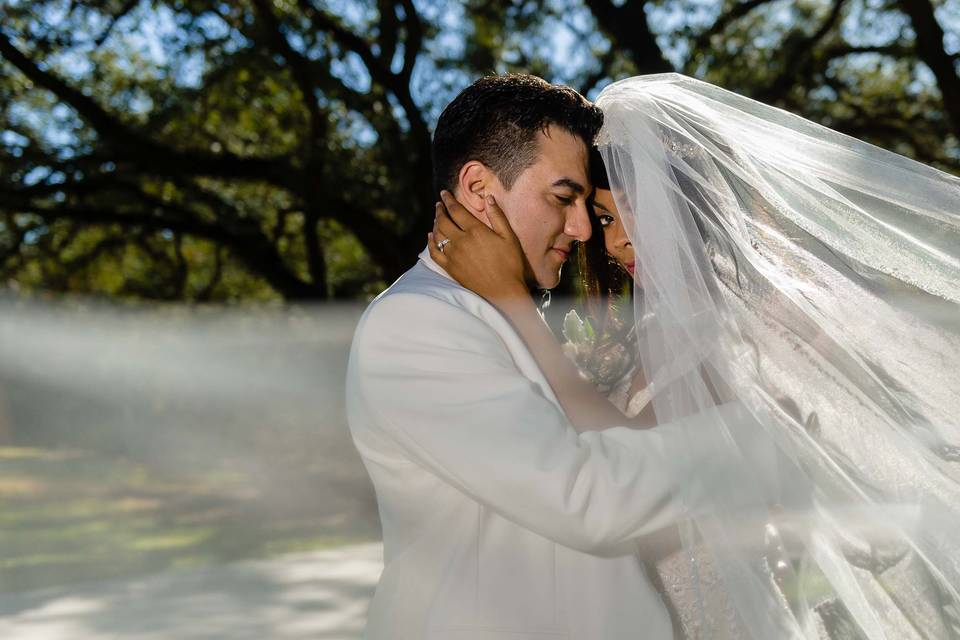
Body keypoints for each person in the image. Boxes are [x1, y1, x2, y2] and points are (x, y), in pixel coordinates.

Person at [430, 73, 960, 639]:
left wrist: (513, 305)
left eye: (625, 214)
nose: (611, 242)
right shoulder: (650, 333)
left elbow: (631, 466)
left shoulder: (727, 338)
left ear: (689, 211)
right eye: (604, 219)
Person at [345, 74, 776, 640]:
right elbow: (586, 498)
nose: (582, 230)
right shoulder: (414, 324)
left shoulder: (496, 313)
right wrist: (765, 434)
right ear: (479, 189)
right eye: (563, 197)